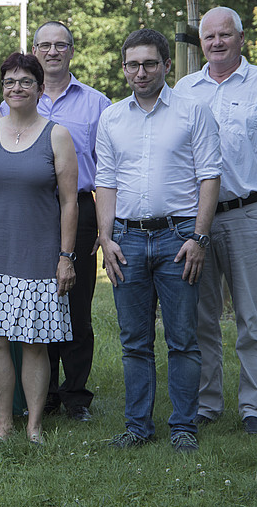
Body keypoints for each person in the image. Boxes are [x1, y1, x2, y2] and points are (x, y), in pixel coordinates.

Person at [174, 6, 257, 435]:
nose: (216, 43)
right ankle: (208, 402)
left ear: (240, 38)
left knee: (251, 318)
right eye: (209, 37)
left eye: (224, 35)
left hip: (251, 214)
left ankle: (253, 407)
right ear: (201, 42)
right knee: (202, 317)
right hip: (199, 221)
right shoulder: (185, 90)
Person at [94, 29, 221, 453]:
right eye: (133, 64)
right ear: (124, 68)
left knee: (183, 339)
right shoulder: (112, 117)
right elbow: (106, 182)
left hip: (179, 238)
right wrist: (105, 238)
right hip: (126, 241)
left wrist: (200, 237)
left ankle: (184, 427)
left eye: (150, 63)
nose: (141, 72)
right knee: (134, 341)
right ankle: (138, 428)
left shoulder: (192, 112)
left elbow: (209, 176)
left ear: (167, 65)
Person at [0, 51, 78, 444]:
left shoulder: (56, 135)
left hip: (40, 258)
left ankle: (34, 426)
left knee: (34, 344)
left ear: (40, 88)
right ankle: (4, 426)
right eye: (9, 81)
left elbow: (69, 202)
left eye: (26, 81)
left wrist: (65, 258)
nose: (16, 88)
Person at [1, 21, 112, 422]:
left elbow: (108, 171)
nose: (52, 51)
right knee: (34, 303)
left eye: (60, 45)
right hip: (27, 213)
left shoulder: (96, 104)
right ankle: (42, 394)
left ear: (71, 50)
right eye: (44, 45)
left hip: (78, 210)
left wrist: (104, 226)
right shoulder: (13, 99)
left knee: (76, 306)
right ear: (33, 49)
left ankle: (76, 396)